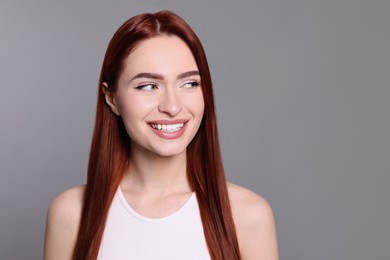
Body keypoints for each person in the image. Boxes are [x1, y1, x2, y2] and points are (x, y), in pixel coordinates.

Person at [44, 10, 278, 260]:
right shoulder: (72, 214)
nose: (172, 106)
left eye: (189, 83)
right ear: (111, 98)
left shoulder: (248, 215)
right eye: (148, 86)